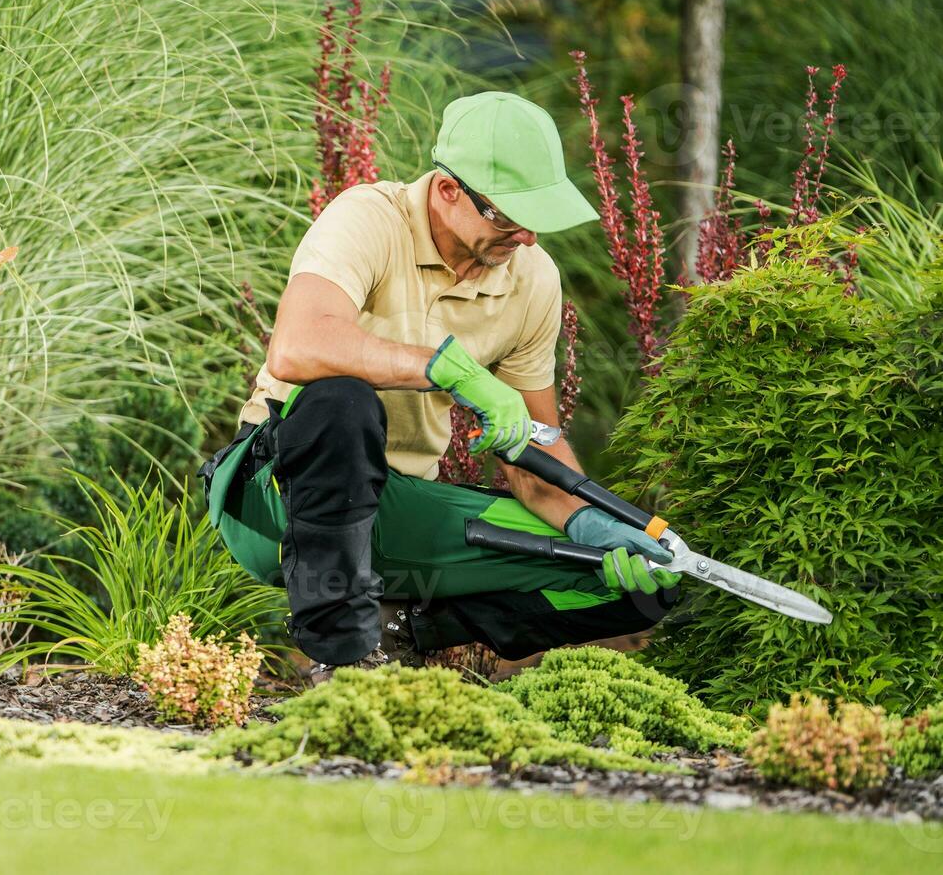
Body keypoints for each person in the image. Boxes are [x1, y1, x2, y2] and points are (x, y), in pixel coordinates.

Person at [198, 92, 680, 684]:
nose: (526, 236)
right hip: (277, 495)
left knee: (625, 583)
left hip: (400, 507)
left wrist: (593, 524)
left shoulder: (532, 279)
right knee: (339, 403)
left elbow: (535, 456)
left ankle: (399, 635)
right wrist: (452, 368)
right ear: (448, 190)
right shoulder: (370, 217)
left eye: (537, 217)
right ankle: (343, 661)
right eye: (506, 215)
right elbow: (298, 345)